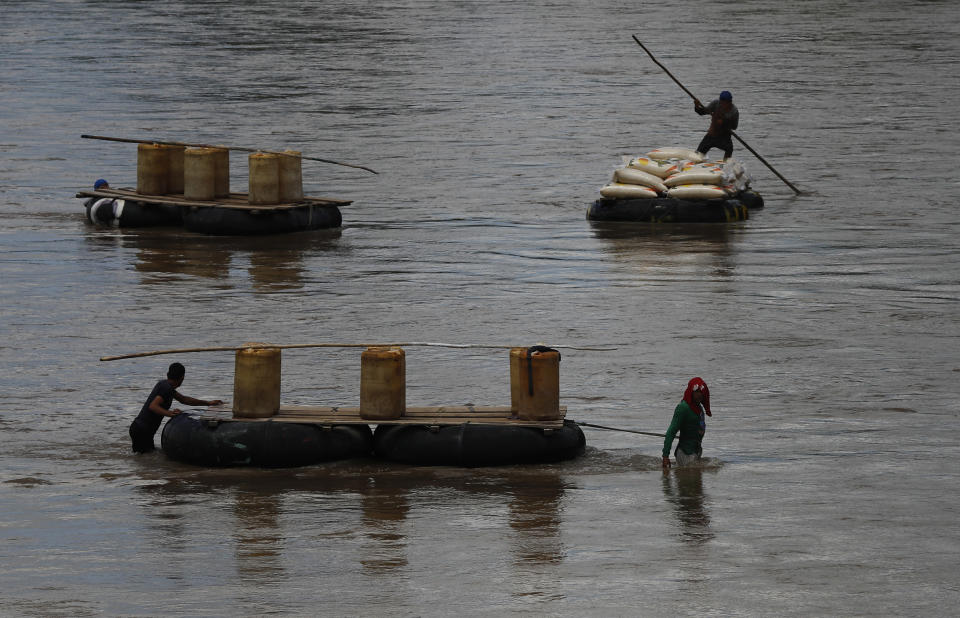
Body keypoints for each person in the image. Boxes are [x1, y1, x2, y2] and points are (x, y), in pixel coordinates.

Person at [129, 362, 223, 453]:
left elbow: (184, 399)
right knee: (145, 460)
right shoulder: (166, 388)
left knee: (145, 460)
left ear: (168, 374)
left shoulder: (165, 385)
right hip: (142, 430)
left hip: (141, 429)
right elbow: (153, 406)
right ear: (182, 378)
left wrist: (208, 403)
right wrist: (170, 413)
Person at [662, 377, 711, 468]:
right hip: (685, 453)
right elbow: (671, 432)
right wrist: (665, 456)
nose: (699, 395)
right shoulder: (683, 408)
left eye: (701, 392)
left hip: (696, 451)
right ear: (691, 392)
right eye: (697, 392)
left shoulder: (699, 408)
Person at [694, 91, 739, 160]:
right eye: (722, 102)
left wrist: (724, 122)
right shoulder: (716, 104)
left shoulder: (734, 111)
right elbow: (703, 112)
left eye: (725, 103)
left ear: (730, 102)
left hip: (724, 137)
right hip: (711, 134)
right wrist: (697, 106)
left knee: (729, 149)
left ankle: (726, 165)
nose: (723, 105)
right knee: (698, 155)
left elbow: (734, 127)